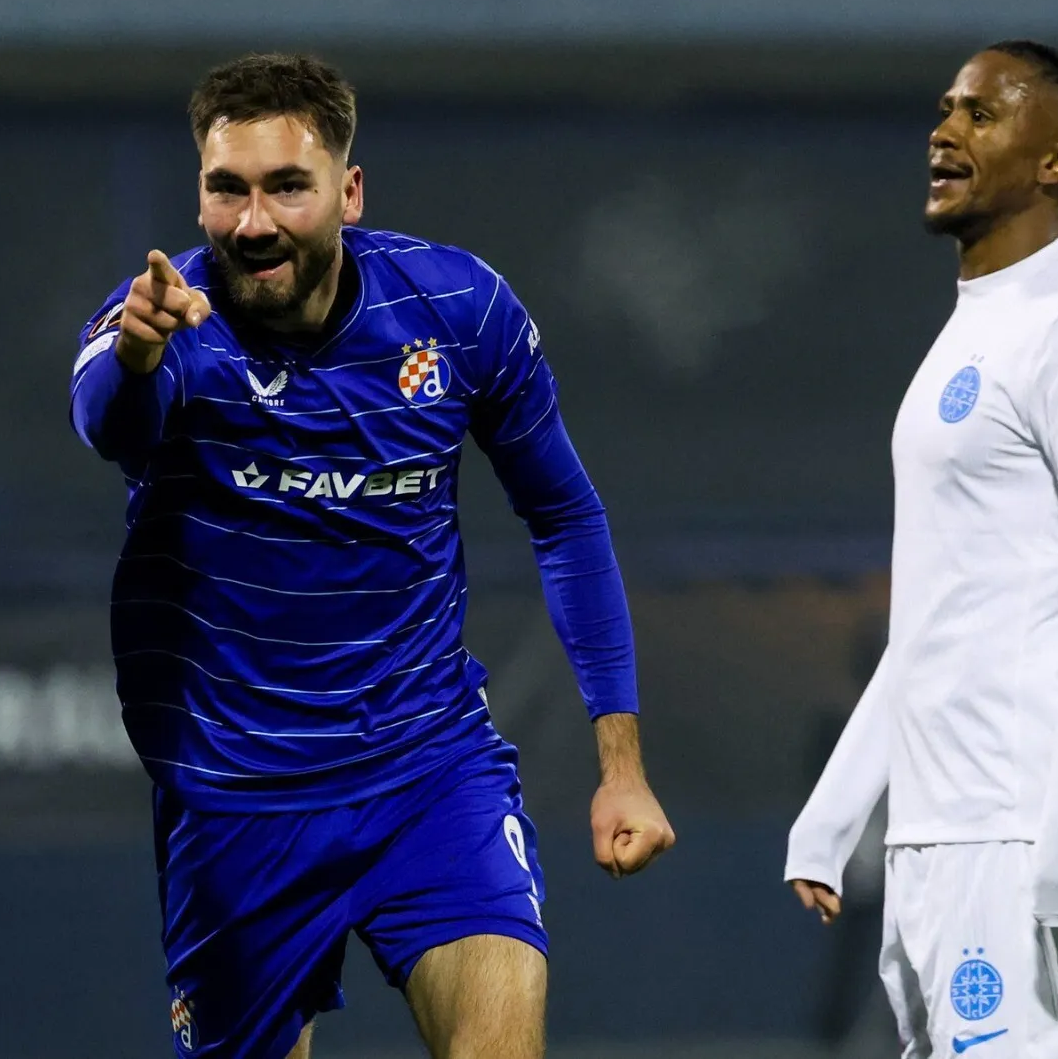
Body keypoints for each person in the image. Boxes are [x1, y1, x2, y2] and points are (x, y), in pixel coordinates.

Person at [68, 52, 674, 1059]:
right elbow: (109, 422)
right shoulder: (166, 322)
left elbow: (564, 515)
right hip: (236, 800)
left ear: (348, 194)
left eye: (286, 187)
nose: (251, 222)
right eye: (226, 189)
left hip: (429, 770)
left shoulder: (459, 311)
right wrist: (137, 353)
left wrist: (622, 765)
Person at [783, 40, 1058, 1058]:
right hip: (938, 824)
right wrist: (839, 806)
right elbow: (938, 614)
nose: (944, 131)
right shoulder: (969, 333)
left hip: (1024, 818)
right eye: (946, 108)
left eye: (981, 114)